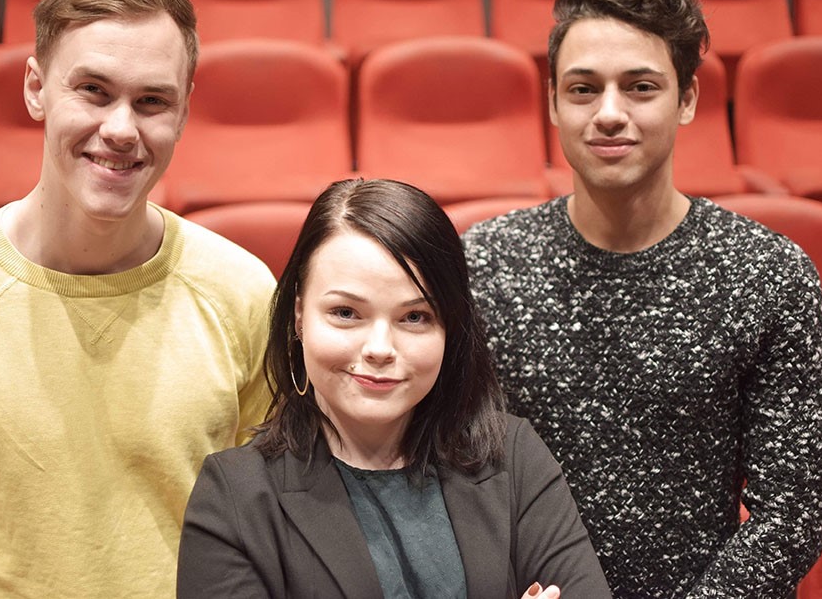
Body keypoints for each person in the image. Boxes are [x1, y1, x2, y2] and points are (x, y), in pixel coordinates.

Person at [0, 0, 275, 598]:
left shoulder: (244, 295)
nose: (122, 129)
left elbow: (260, 516)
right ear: (36, 88)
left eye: (152, 100)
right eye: (94, 91)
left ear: (185, 108)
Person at [464, 0, 822, 598]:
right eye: (583, 89)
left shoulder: (768, 273)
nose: (609, 113)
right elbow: (449, 474)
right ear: (553, 101)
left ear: (687, 99)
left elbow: (790, 517)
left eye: (640, 87)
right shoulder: (484, 264)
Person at [177, 178, 611, 599]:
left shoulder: (513, 456)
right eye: (346, 312)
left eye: (415, 317)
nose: (380, 349)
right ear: (298, 318)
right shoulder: (233, 495)